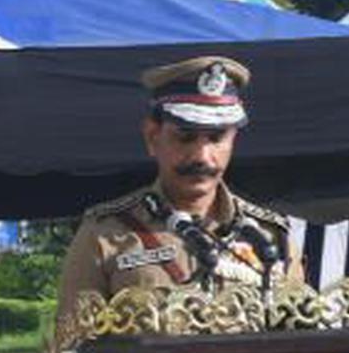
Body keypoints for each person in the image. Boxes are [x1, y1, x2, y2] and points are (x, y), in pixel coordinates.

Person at [57, 55, 302, 320]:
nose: (202, 156)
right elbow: (69, 351)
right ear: (153, 137)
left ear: (233, 140)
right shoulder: (106, 235)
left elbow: (302, 343)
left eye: (216, 138)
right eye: (185, 138)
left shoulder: (270, 237)